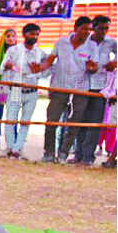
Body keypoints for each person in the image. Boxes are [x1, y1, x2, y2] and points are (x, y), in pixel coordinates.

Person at [42, 16, 99, 163]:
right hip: (59, 87)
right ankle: (48, 153)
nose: (87, 32)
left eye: (89, 29)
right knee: (52, 120)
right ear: (76, 28)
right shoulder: (62, 42)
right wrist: (40, 68)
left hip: (80, 90)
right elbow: (50, 59)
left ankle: (63, 154)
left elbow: (94, 67)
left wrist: (92, 68)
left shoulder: (92, 46)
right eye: (84, 29)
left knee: (74, 123)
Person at [0, 24, 50, 159]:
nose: (35, 37)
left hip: (32, 91)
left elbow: (48, 71)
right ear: (24, 34)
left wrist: (38, 71)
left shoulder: (41, 53)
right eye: (32, 34)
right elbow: (0, 69)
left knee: (25, 121)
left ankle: (17, 149)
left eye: (37, 34)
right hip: (15, 89)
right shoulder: (13, 51)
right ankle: (10, 148)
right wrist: (8, 66)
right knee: (10, 120)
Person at [74, 15, 117, 165]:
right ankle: (78, 154)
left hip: (101, 88)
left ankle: (88, 157)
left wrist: (114, 62)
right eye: (101, 28)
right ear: (93, 28)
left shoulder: (111, 42)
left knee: (95, 123)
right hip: (82, 85)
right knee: (80, 122)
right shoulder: (83, 41)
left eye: (106, 28)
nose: (104, 31)